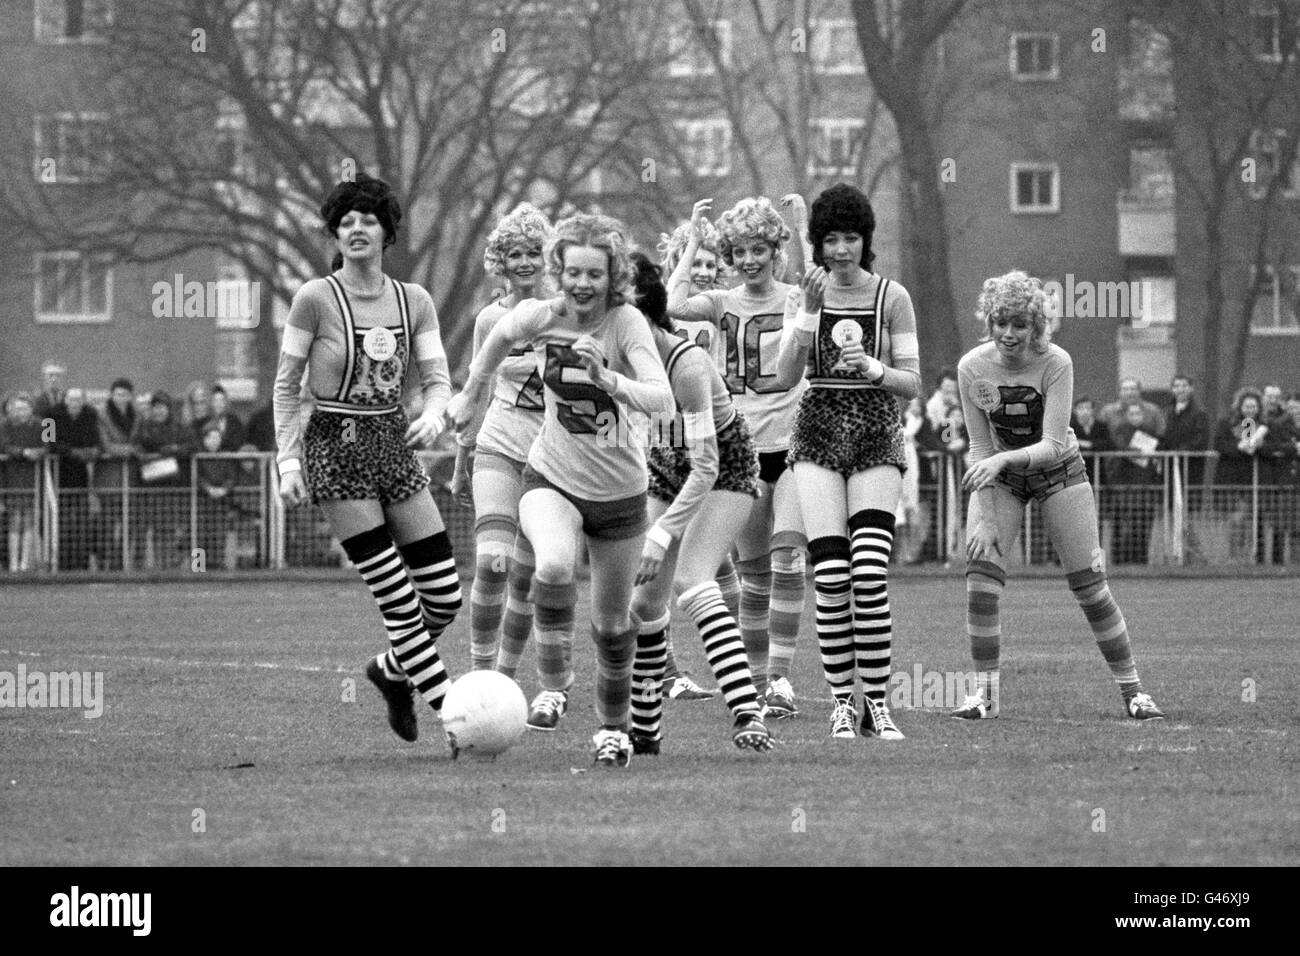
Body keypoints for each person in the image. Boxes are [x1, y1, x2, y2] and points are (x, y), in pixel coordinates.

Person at [447, 213, 674, 767]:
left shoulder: (626, 325)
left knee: (613, 626)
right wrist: (471, 395)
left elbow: (661, 398)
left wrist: (610, 379)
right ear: (559, 270)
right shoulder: (539, 316)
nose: (582, 285)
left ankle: (613, 729)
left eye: (594, 274)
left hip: (620, 498)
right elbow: (499, 336)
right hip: (549, 477)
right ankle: (554, 684)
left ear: (612, 275)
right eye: (573, 272)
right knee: (549, 566)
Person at [275, 172, 460, 745]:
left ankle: (388, 671)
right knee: (400, 604)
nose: (355, 229)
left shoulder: (415, 300)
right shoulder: (314, 298)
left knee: (444, 597)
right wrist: (287, 462)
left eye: (367, 220)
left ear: (387, 231)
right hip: (336, 448)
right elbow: (285, 386)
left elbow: (437, 378)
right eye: (345, 222)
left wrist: (435, 412)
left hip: (394, 444)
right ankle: (458, 717)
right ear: (335, 233)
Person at [950, 270, 1164, 721]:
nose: (1008, 334)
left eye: (1019, 324)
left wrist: (1003, 460)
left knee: (1091, 589)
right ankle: (984, 697)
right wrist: (986, 517)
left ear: (1036, 326)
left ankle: (1134, 692)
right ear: (988, 321)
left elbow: (1051, 444)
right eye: (1000, 322)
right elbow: (979, 448)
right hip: (1000, 478)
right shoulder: (971, 366)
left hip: (1059, 471)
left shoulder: (1057, 362)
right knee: (980, 582)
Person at [775, 182, 920, 740]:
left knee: (869, 571)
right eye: (830, 239)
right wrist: (808, 313)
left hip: (875, 429)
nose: (840, 249)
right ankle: (842, 702)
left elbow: (912, 383)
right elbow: (784, 378)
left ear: (866, 240)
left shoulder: (893, 297)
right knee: (831, 575)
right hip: (817, 426)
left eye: (850, 238)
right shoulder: (802, 294)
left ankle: (877, 703)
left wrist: (875, 370)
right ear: (816, 243)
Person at [665, 195, 807, 720]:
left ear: (776, 250)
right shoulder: (722, 302)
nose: (749, 260)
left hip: (792, 445)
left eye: (759, 249)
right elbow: (674, 302)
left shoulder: (795, 298)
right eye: (740, 250)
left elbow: (820, 294)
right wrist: (695, 240)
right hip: (743, 451)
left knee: (789, 557)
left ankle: (782, 681)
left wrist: (803, 228)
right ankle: (754, 680)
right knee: (754, 575)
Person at [626, 252, 772, 753]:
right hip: (666, 471)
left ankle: (748, 714)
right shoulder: (611, 354)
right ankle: (645, 731)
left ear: (643, 311)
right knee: (643, 602)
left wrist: (660, 534)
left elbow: (707, 466)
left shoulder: (685, 364)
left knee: (692, 579)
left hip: (725, 471)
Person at [448, 203, 552, 717]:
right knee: (493, 561)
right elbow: (478, 388)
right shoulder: (490, 318)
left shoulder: (569, 312)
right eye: (517, 254)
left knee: (529, 576)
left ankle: (505, 685)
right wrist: (460, 459)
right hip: (498, 444)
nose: (527, 261)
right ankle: (480, 672)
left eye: (535, 251)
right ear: (501, 263)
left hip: (554, 459)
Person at [52, 387, 101, 570]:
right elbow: (48, 441)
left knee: (81, 520)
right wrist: (71, 452)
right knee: (62, 520)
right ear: (65, 401)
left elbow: (94, 440)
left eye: (78, 400)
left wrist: (91, 451)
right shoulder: (51, 414)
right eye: (71, 399)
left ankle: (82, 562)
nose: (75, 403)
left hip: (81, 475)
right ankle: (62, 562)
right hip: (58, 473)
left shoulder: (90, 415)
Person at [95, 378, 140, 570]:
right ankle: (105, 561)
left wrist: (133, 449)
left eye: (125, 394)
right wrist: (129, 451)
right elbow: (105, 444)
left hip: (130, 477)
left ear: (130, 396)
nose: (122, 398)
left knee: (129, 522)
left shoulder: (136, 415)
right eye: (118, 394)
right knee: (107, 523)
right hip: (109, 478)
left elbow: (140, 440)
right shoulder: (101, 414)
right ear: (112, 395)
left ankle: (122, 561)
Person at [1109, 403, 1160, 565]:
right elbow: (1123, 449)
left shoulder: (1150, 432)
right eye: (1132, 413)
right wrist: (1139, 452)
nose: (1135, 416)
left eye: (1138, 413)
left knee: (1143, 527)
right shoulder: (1120, 431)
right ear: (1127, 415)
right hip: (1124, 487)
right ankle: (1120, 562)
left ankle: (1141, 561)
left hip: (1145, 487)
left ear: (1143, 415)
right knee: (1123, 527)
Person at [1, 393, 47, 571]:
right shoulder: (4, 425)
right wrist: (24, 453)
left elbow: (49, 445)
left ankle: (25, 563)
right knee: (14, 521)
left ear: (31, 409)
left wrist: (39, 453)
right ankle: (13, 563)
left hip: (34, 479)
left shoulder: (45, 423)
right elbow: (5, 446)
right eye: (18, 408)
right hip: (12, 478)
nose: (21, 412)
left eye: (25, 408)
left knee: (29, 520)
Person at [1100, 377, 1165, 437]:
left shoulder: (1153, 410)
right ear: (1119, 392)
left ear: (1139, 391)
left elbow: (1161, 432)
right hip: (1115, 449)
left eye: (1133, 389)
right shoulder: (1108, 411)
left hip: (1148, 448)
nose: (1129, 393)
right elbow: (1101, 435)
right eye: (1125, 389)